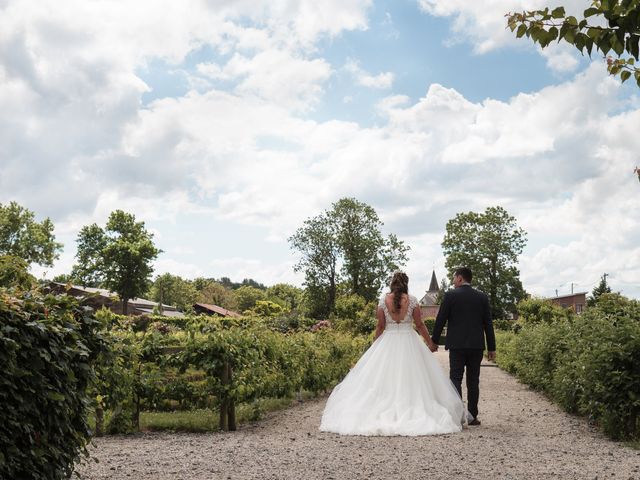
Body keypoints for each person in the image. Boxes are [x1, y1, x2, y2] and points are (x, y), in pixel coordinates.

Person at [319, 271, 465, 436]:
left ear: (392, 284)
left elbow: (380, 327)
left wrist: (375, 346)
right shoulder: (413, 301)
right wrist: (430, 342)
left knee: (383, 377)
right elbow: (420, 325)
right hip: (409, 341)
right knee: (413, 377)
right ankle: (412, 408)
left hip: (388, 341)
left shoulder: (383, 301)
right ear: (406, 284)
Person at [431, 267, 496, 426]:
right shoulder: (482, 297)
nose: (453, 281)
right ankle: (472, 416)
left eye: (454, 278)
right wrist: (492, 347)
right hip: (476, 346)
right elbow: (488, 323)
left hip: (457, 345)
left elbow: (441, 319)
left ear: (460, 278)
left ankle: (458, 416)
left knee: (455, 379)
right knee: (473, 380)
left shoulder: (451, 296)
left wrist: (433, 340)